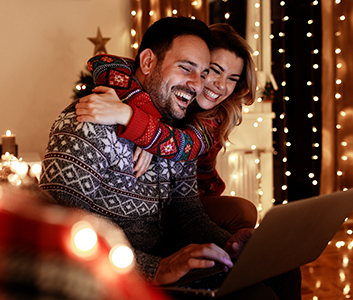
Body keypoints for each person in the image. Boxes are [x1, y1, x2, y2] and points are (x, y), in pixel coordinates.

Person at [40, 17, 301, 299]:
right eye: (186, 68)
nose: (197, 85)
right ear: (149, 62)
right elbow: (58, 233)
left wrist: (229, 245)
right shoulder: (89, 120)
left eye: (202, 74)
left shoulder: (174, 129)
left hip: (162, 256)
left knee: (282, 268)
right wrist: (155, 269)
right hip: (114, 276)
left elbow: (186, 214)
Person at [76, 23, 258, 234]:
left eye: (233, 79)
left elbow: (183, 146)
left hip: (194, 202)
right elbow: (103, 64)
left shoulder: (216, 117)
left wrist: (130, 117)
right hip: (150, 203)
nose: (222, 85)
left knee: (245, 214)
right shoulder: (167, 92)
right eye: (214, 71)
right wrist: (146, 113)